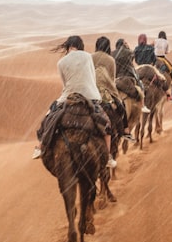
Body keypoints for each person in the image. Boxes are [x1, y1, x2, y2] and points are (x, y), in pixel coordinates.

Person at [32, 35, 116, 168]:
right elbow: (92, 78)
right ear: (81, 46)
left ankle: (40, 146)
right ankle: (108, 157)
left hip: (68, 95)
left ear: (68, 46)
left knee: (49, 117)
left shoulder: (61, 62)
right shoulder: (88, 56)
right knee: (106, 123)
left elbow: (65, 83)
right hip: (89, 95)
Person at [93, 36, 137, 143]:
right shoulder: (110, 60)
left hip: (91, 90)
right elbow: (112, 79)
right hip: (105, 91)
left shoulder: (90, 57)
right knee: (121, 106)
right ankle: (126, 131)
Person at [114, 38, 151, 114]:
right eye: (125, 43)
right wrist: (127, 47)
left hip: (117, 78)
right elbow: (133, 56)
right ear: (124, 44)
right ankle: (142, 105)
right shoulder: (129, 52)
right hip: (128, 77)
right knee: (141, 86)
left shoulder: (112, 53)